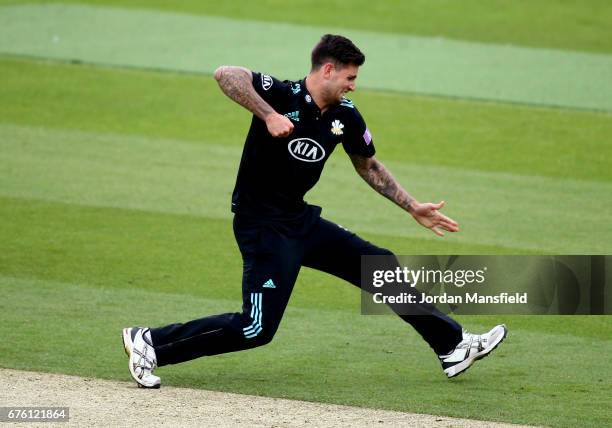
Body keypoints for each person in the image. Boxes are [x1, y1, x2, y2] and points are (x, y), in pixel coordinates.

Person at [122, 34, 507, 389]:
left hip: (299, 220)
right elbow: (225, 75)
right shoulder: (281, 94)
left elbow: (368, 165)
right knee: (257, 328)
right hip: (262, 226)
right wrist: (268, 115)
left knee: (378, 264)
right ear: (328, 70)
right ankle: (150, 343)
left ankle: (452, 346)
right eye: (350, 77)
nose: (353, 85)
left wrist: (411, 206)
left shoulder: (346, 116)